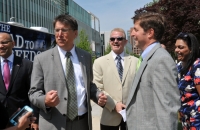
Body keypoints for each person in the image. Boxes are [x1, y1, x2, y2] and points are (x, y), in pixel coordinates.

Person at [28, 14, 107, 130]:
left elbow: (89, 85)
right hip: (54, 123)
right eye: (57, 30)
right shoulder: (41, 59)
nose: (59, 34)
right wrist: (45, 100)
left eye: (64, 30)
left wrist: (97, 95)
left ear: (75, 33)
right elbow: (33, 93)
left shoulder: (85, 57)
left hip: (82, 123)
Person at [125, 12, 180, 130]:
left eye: (136, 29)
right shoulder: (148, 57)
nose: (132, 33)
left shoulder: (161, 60)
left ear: (150, 32)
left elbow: (167, 109)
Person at [93, 28, 138, 130]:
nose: (115, 41)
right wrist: (114, 104)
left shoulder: (135, 62)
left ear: (125, 41)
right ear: (109, 42)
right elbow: (98, 88)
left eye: (119, 38)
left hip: (131, 117)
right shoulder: (99, 62)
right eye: (112, 39)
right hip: (109, 116)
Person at [0, 32, 39, 129]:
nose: (1, 46)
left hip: (21, 118)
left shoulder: (27, 65)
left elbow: (33, 93)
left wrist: (35, 119)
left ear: (13, 44)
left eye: (4, 42)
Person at [175, 32, 200, 129]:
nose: (177, 50)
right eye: (176, 47)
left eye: (180, 47)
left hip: (197, 120)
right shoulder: (179, 67)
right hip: (185, 118)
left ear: (191, 49)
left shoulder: (197, 66)